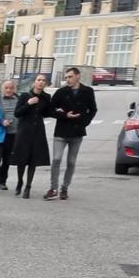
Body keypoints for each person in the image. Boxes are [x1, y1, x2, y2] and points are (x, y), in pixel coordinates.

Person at [45, 66, 97, 200]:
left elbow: (93, 109)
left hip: (77, 132)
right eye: (66, 77)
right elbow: (50, 110)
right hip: (61, 131)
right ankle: (53, 188)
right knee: (56, 159)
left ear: (77, 76)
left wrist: (84, 122)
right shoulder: (61, 92)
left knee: (71, 162)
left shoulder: (87, 91)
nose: (68, 79)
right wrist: (64, 115)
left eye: (70, 77)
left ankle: (65, 188)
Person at [11, 73, 52, 198]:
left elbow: (47, 112)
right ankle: (20, 182)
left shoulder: (46, 97)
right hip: (24, 131)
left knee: (33, 160)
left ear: (45, 83)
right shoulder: (24, 96)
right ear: (34, 82)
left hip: (38, 131)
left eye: (43, 80)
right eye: (39, 80)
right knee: (22, 159)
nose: (41, 82)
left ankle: (28, 186)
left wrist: (57, 111)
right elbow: (17, 113)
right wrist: (28, 104)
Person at [0, 78, 19, 192]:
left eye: (11, 88)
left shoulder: (19, 99)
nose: (9, 90)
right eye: (6, 88)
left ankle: (2, 181)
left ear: (14, 89)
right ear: (2, 89)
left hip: (13, 134)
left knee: (7, 159)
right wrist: (1, 121)